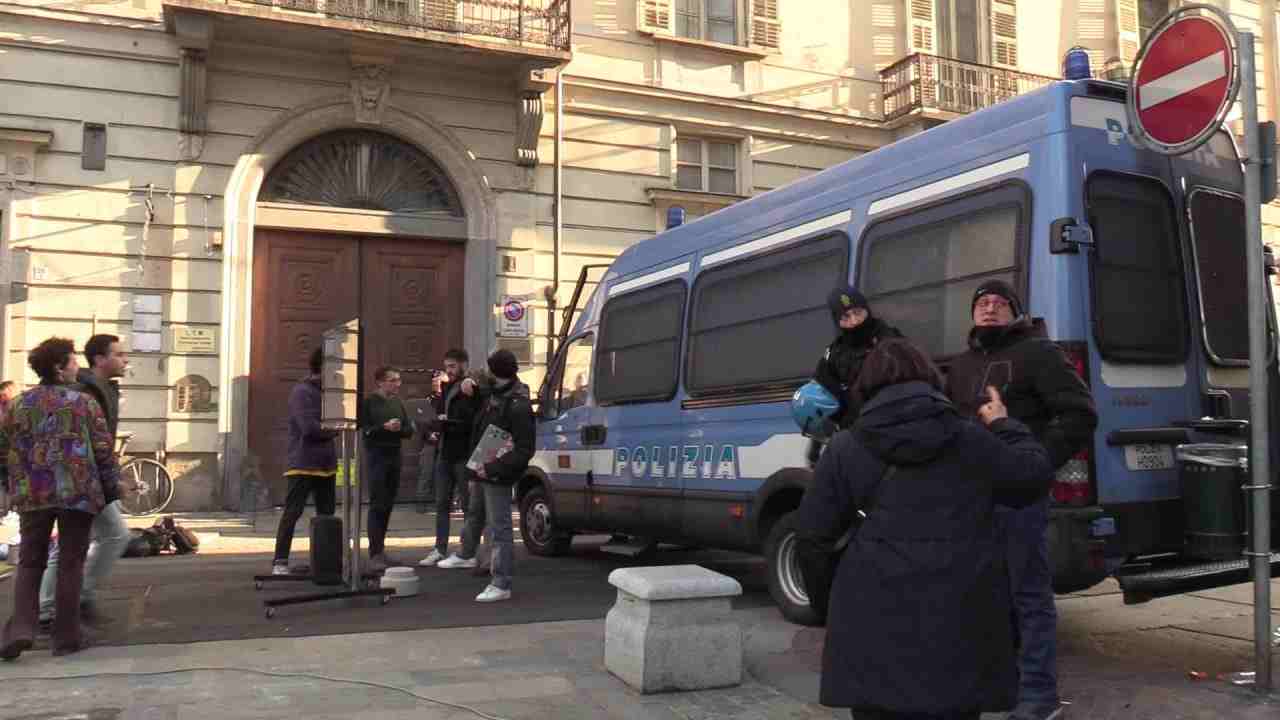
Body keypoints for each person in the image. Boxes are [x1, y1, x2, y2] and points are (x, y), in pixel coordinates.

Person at [796, 339, 1054, 720]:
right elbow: (1031, 478)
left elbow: (811, 539)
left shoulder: (844, 448)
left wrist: (831, 606)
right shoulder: (970, 438)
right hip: (963, 624)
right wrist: (1003, 424)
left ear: (867, 385)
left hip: (871, 625)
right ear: (931, 378)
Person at [944, 280, 1098, 720]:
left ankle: (1039, 698)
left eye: (998, 303)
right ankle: (995, 687)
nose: (989, 309)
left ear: (1014, 312)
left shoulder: (1037, 353)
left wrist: (1036, 461)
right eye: (981, 303)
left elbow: (1079, 413)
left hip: (1020, 497)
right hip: (972, 498)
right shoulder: (962, 365)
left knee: (1029, 597)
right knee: (982, 596)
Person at [1, 337, 120, 660]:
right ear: (59, 367)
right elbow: (103, 452)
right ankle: (66, 636)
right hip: (77, 494)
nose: (77, 367)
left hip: (33, 494)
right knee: (71, 563)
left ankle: (21, 629)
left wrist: (8, 486)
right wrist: (112, 491)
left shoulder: (19, 404)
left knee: (30, 561)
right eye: (72, 361)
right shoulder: (83, 403)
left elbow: (2, 449)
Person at [37, 334, 130, 629]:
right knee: (76, 544)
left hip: (86, 480)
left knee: (102, 537)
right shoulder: (86, 391)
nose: (125, 359)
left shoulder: (101, 388)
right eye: (119, 354)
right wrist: (110, 481)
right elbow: (88, 442)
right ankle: (54, 608)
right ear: (100, 360)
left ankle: (65, 603)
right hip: (81, 481)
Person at [436, 349, 534, 603]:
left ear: (495, 372)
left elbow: (524, 449)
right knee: (476, 512)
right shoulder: (495, 393)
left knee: (500, 527)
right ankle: (468, 554)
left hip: (496, 472)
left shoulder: (517, 404)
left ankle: (501, 582)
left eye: (489, 369)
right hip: (483, 466)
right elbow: (477, 386)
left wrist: (492, 468)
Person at [271, 347, 339, 575]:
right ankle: (280, 562)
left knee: (326, 516)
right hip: (302, 462)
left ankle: (325, 562)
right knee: (293, 512)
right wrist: (335, 429)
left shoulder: (331, 392)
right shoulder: (302, 392)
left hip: (326, 465)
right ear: (323, 367)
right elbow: (309, 428)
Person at [418, 349, 480, 567]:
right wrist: (437, 422)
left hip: (463, 454)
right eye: (447, 366)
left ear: (464, 365)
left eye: (453, 366)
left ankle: (468, 550)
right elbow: (439, 412)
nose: (448, 370)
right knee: (441, 503)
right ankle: (439, 548)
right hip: (445, 452)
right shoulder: (447, 387)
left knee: (468, 506)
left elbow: (474, 420)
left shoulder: (470, 386)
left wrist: (448, 422)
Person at [813, 286, 902, 431]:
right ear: (838, 321)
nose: (854, 321)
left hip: (893, 425)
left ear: (867, 310)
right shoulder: (834, 354)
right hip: (855, 435)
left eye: (857, 313)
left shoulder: (890, 340)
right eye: (846, 317)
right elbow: (821, 394)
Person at [359, 365, 415, 572]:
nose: (397, 384)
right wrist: (383, 428)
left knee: (389, 503)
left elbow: (409, 430)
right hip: (377, 456)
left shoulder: (398, 403)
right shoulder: (369, 403)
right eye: (392, 380)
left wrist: (401, 429)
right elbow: (365, 431)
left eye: (398, 380)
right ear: (380, 382)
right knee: (377, 504)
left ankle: (381, 550)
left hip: (394, 455)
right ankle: (374, 553)